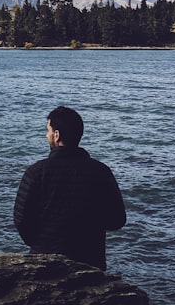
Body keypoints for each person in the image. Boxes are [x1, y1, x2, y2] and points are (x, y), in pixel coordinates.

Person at [13, 106, 126, 270]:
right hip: (90, 263)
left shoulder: (37, 172)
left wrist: (41, 242)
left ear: (57, 135)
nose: (46, 135)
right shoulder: (101, 172)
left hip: (44, 262)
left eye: (48, 131)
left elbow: (21, 219)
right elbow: (117, 219)